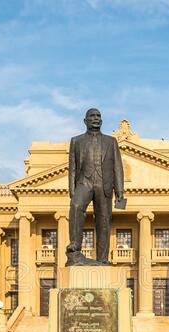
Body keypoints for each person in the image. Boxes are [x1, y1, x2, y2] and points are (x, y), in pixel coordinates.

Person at [66, 108, 126, 265]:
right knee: (76, 205)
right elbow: (72, 166)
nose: (96, 119)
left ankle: (102, 258)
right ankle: (75, 247)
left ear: (102, 120)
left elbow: (117, 167)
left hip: (104, 184)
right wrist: (72, 190)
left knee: (103, 221)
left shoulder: (111, 142)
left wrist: (120, 192)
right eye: (92, 116)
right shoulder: (76, 141)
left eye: (98, 116)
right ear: (85, 121)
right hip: (84, 182)